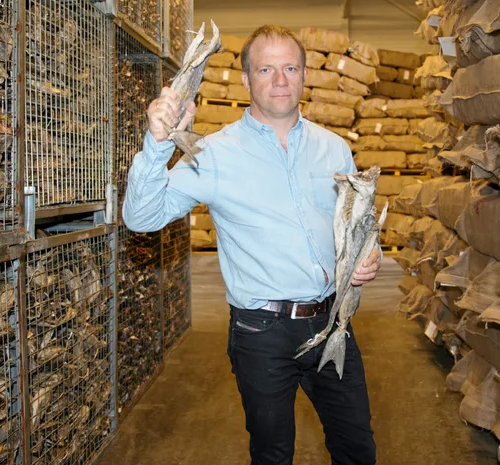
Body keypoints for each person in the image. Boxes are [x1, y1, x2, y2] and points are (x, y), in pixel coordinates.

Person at [122, 24, 380, 465]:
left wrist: (368, 254)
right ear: (246, 80)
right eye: (266, 69)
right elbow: (141, 217)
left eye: (290, 68)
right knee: (272, 453)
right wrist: (156, 146)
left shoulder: (334, 149)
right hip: (262, 333)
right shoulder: (215, 154)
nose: (280, 80)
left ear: (302, 75)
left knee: (357, 448)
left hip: (333, 322)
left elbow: (361, 225)